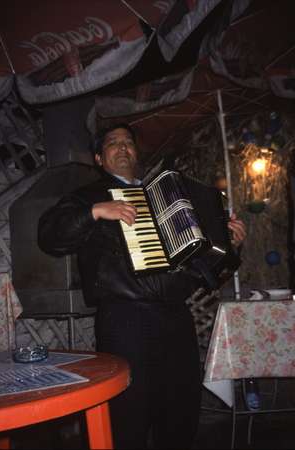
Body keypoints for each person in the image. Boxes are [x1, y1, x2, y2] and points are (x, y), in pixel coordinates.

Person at [38, 123, 246, 449]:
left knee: (180, 410)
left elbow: (202, 271)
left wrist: (229, 245)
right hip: (125, 320)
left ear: (137, 153)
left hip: (177, 317)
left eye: (128, 143)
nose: (122, 148)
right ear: (98, 157)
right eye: (112, 143)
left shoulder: (167, 197)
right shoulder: (87, 196)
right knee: (128, 414)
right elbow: (50, 237)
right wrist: (94, 212)